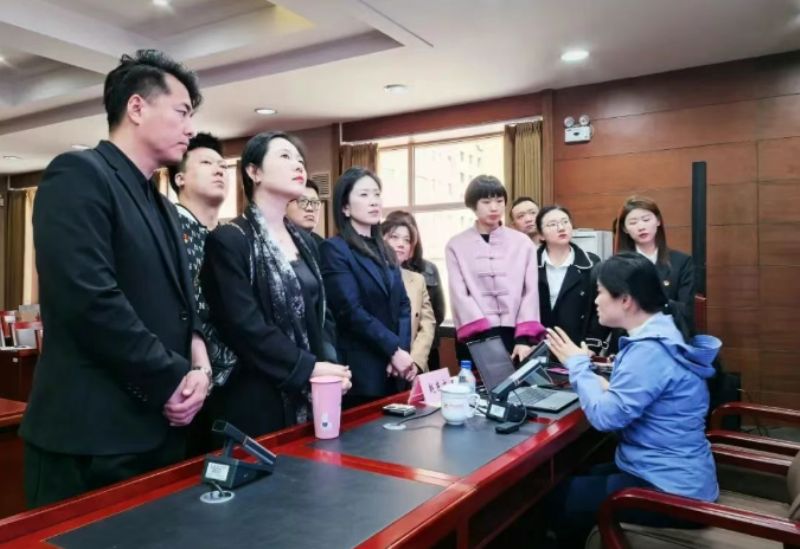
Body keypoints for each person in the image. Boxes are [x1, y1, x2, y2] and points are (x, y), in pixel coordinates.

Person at [22, 49, 212, 508]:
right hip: (91, 438)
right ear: (137, 107)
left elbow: (182, 303)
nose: (191, 128)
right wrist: (171, 378)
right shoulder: (78, 174)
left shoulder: (162, 204)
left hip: (158, 430)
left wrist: (198, 362)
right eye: (182, 112)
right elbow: (89, 300)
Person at [545, 252, 720, 548]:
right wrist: (595, 379)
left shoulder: (649, 350)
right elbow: (639, 392)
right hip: (678, 475)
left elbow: (605, 418)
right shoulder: (665, 329)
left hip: (670, 490)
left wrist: (578, 366)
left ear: (625, 299)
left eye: (600, 292)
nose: (596, 300)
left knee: (559, 498)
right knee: (579, 474)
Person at [201, 131, 350, 438]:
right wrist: (307, 367)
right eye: (285, 156)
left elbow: (321, 315)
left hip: (311, 390)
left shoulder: (306, 242)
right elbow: (245, 326)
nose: (298, 165)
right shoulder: (230, 240)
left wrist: (328, 368)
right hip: (256, 397)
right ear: (254, 172)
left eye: (300, 160)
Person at [320, 167, 412, 407]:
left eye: (377, 194)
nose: (374, 201)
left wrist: (400, 352)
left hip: (394, 370)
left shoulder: (386, 250)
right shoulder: (335, 249)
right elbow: (350, 311)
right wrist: (393, 349)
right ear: (345, 207)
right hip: (361, 373)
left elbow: (403, 305)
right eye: (364, 195)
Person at [445, 175, 543, 362]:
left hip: (516, 336)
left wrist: (523, 338)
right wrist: (482, 335)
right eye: (486, 202)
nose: (494, 207)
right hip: (475, 336)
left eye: (499, 201)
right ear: (473, 205)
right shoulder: (456, 245)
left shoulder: (523, 243)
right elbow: (459, 294)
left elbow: (530, 292)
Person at [615, 196, 695, 335]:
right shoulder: (616, 265)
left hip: (669, 336)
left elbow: (686, 310)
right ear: (625, 229)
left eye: (646, 220)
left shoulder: (682, 262)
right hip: (629, 338)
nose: (641, 227)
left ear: (658, 221)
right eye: (633, 222)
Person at [535, 205, 605, 352]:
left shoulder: (591, 263)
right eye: (552, 224)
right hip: (537, 346)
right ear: (541, 235)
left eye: (565, 222)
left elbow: (599, 309)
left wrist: (591, 346)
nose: (561, 228)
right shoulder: (530, 263)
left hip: (578, 348)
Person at [383, 210, 445, 369]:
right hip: (380, 362)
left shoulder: (418, 279)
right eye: (394, 237)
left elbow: (429, 322)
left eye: (407, 240)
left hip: (413, 363)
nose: (401, 244)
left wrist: (415, 361)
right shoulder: (367, 275)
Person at [286, 178, 325, 246]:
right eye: (303, 201)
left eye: (314, 202)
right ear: (285, 205)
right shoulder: (274, 242)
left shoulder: (323, 245)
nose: (310, 208)